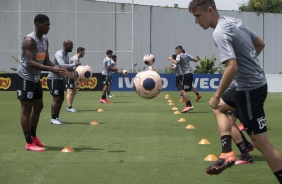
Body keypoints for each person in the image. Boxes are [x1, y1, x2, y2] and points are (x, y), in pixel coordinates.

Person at [188, 0, 282, 181]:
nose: (196, 21)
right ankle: (227, 153)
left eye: (198, 16)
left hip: (248, 90)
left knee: (260, 142)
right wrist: (249, 66)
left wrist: (216, 95)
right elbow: (260, 44)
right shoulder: (233, 21)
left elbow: (232, 67)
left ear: (210, 10)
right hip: (253, 84)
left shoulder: (220, 32)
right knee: (218, 108)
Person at [16, 14, 69, 151]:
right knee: (26, 109)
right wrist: (51, 69)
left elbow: (46, 61)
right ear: (37, 24)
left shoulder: (45, 40)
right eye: (46, 24)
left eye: (49, 25)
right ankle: (28, 142)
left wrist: (58, 69)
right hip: (25, 77)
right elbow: (30, 62)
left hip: (35, 78)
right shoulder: (29, 40)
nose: (49, 27)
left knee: (38, 106)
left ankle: (33, 137)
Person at [47, 40, 80, 125]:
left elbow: (67, 68)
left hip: (60, 79)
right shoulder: (59, 54)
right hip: (53, 79)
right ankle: (53, 119)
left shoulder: (66, 56)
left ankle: (56, 117)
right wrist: (74, 65)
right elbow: (61, 65)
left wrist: (76, 71)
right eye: (71, 45)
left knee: (61, 98)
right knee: (56, 98)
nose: (72, 47)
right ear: (65, 45)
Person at [168, 46, 198, 113]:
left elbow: (176, 62)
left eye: (176, 51)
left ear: (179, 50)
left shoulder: (179, 55)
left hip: (185, 74)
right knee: (183, 90)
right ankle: (188, 105)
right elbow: (196, 60)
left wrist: (171, 59)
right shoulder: (187, 55)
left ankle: (189, 105)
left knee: (183, 90)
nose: (175, 52)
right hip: (190, 74)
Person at [66, 47, 85, 112]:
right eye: (83, 52)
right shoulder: (75, 59)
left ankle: (70, 106)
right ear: (80, 51)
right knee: (70, 92)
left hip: (73, 76)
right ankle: (69, 107)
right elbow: (73, 70)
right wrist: (76, 80)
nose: (84, 54)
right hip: (70, 76)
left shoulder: (77, 59)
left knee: (74, 91)